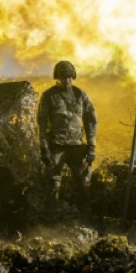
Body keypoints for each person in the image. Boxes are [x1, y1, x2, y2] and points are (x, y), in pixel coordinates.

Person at [37, 60, 98, 204]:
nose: (67, 80)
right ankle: (52, 219)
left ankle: (84, 215)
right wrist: (44, 148)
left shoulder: (80, 95)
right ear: (57, 78)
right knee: (53, 182)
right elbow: (42, 123)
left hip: (77, 146)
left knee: (85, 181)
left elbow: (91, 120)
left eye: (70, 77)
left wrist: (91, 146)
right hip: (56, 146)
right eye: (63, 77)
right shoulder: (48, 96)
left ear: (74, 76)